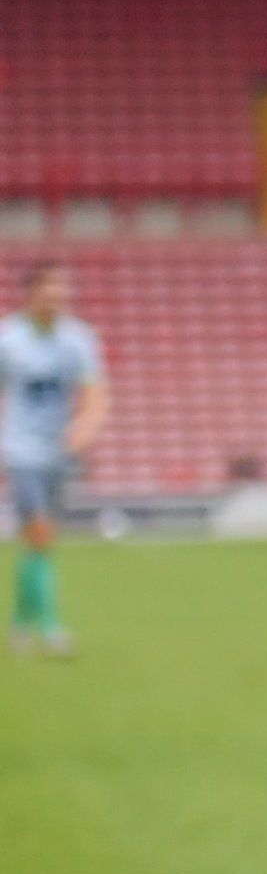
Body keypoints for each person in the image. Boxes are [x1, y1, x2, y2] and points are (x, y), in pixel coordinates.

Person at [5, 263, 104, 658]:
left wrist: (86, 426)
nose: (59, 296)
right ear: (31, 294)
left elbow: (95, 391)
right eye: (51, 288)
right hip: (21, 450)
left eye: (64, 288)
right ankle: (50, 629)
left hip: (59, 452)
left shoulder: (79, 339)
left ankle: (17, 623)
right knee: (41, 534)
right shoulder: (8, 339)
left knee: (40, 544)